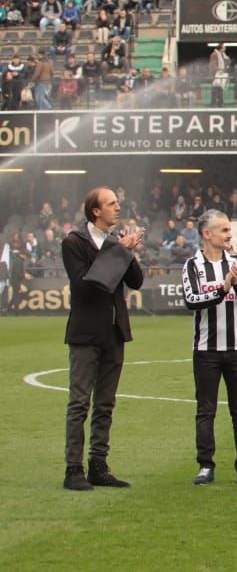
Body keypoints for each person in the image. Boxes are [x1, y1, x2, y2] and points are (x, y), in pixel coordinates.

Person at [61, 187, 145, 491]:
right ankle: (73, 469)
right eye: (111, 204)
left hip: (114, 332)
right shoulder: (74, 242)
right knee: (80, 403)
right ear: (95, 211)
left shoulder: (114, 242)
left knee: (105, 404)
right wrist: (119, 251)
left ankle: (98, 465)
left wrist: (128, 251)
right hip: (85, 334)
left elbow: (136, 282)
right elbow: (86, 286)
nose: (117, 207)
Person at [182, 210, 237, 487]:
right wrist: (221, 289)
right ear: (207, 234)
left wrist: (236, 284)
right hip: (206, 350)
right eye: (224, 230)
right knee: (206, 410)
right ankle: (205, 465)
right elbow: (192, 300)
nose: (230, 235)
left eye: (230, 230)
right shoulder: (193, 265)